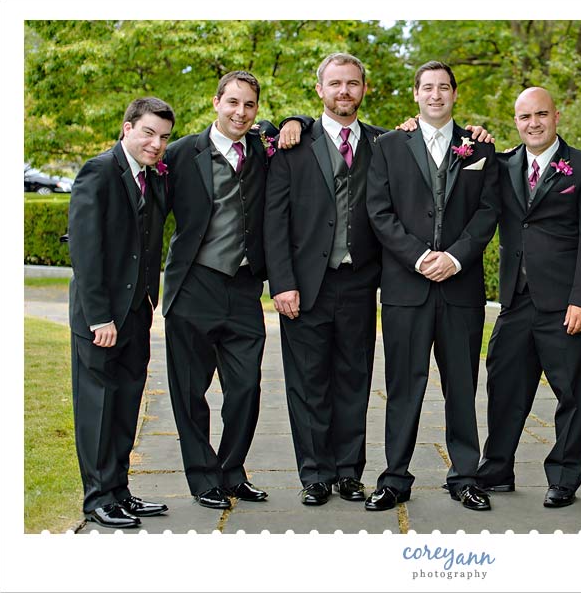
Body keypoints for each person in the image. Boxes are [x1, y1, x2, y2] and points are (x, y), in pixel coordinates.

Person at [364, 61, 500, 512]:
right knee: (403, 385)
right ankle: (394, 478)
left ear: (455, 94)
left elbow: (487, 211)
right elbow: (379, 211)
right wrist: (420, 257)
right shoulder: (388, 145)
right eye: (428, 87)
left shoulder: (479, 146)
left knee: (462, 385)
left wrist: (456, 257)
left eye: (444, 87)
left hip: (461, 289)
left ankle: (464, 476)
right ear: (416, 94)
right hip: (406, 286)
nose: (436, 94)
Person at [476, 87, 581, 508]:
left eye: (540, 115)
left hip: (566, 302)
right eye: (524, 117)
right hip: (516, 299)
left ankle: (565, 478)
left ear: (556, 115)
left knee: (572, 394)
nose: (533, 123)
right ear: (515, 122)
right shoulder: (502, 166)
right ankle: (496, 470)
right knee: (504, 386)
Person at [263, 53, 385, 506]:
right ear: (320, 90)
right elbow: (275, 220)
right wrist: (281, 283)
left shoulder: (383, 143)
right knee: (308, 382)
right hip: (304, 284)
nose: (344, 92)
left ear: (363, 89)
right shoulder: (292, 144)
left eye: (352, 83)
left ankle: (350, 472)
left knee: (355, 378)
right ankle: (314, 473)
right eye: (335, 84)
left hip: (360, 282)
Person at [162, 71, 279, 510]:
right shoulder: (180, 154)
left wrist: (295, 121)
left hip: (245, 288)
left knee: (246, 388)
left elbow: (301, 126)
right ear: (216, 102)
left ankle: (232, 471)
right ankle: (203, 477)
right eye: (232, 102)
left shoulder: (265, 149)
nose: (240, 112)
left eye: (249, 105)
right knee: (190, 392)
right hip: (194, 284)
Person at [67, 97, 175, 528]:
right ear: (126, 128)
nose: (156, 143)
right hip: (102, 318)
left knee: (127, 404)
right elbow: (85, 250)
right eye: (148, 132)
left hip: (137, 312)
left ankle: (119, 491)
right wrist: (99, 318)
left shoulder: (151, 177)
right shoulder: (98, 171)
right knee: (98, 407)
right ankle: (96, 500)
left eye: (164, 137)